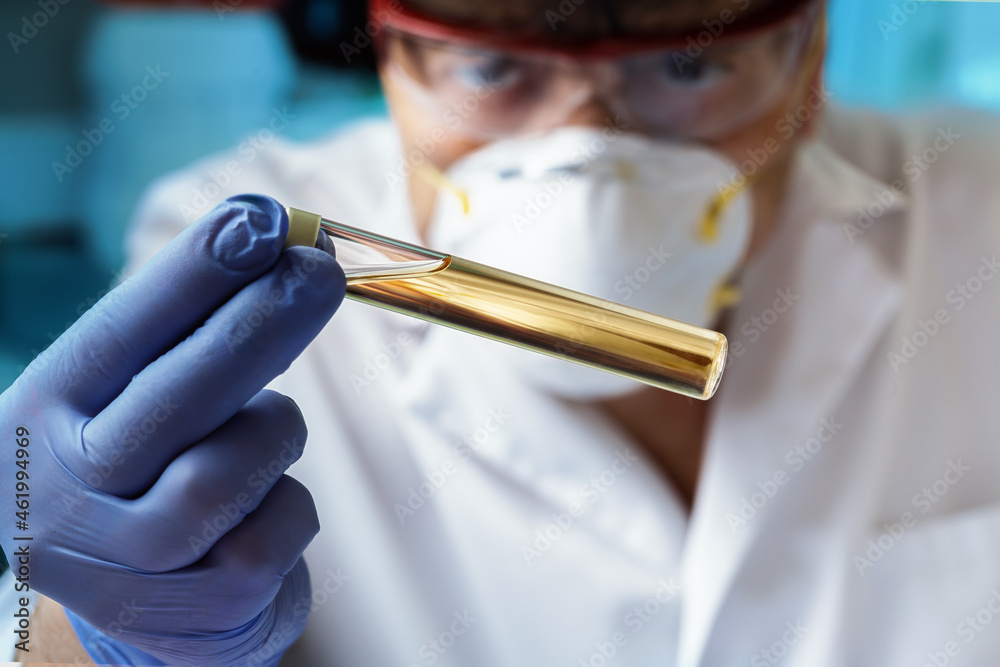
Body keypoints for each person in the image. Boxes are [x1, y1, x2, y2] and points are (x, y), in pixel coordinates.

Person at [4, 0, 1000, 664]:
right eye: (492, 69)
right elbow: (40, 634)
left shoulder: (978, 209)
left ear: (808, 58)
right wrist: (101, 625)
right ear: (392, 60)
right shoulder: (235, 240)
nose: (588, 149)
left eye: (689, 65)